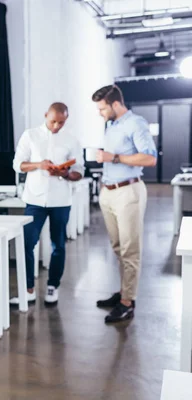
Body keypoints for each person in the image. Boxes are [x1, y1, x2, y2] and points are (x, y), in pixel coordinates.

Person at [92, 84, 157, 323]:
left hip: (128, 191)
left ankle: (128, 302)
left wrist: (115, 157)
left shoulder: (136, 123)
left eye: (102, 108)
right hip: (109, 191)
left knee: (130, 250)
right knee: (118, 248)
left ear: (115, 104)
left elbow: (150, 158)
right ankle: (123, 292)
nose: (100, 113)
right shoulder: (112, 126)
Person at [10, 103, 84, 305]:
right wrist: (39, 165)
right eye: (53, 121)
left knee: (58, 245)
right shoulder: (30, 135)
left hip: (61, 200)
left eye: (61, 122)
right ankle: (28, 290)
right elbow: (18, 165)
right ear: (45, 115)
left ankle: (53, 286)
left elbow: (79, 171)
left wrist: (65, 173)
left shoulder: (71, 140)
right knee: (27, 243)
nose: (57, 126)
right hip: (34, 199)